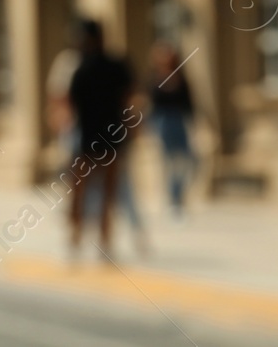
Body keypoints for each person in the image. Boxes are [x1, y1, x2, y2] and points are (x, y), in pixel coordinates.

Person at [67, 18, 134, 260]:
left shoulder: (81, 68)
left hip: (87, 138)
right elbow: (129, 98)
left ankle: (77, 239)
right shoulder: (116, 65)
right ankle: (103, 243)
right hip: (111, 136)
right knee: (107, 193)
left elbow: (72, 102)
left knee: (80, 192)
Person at [149, 42, 196, 218]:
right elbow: (152, 101)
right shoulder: (155, 78)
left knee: (187, 161)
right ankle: (173, 200)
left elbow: (189, 103)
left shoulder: (180, 77)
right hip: (163, 122)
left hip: (179, 121)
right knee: (169, 163)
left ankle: (178, 195)